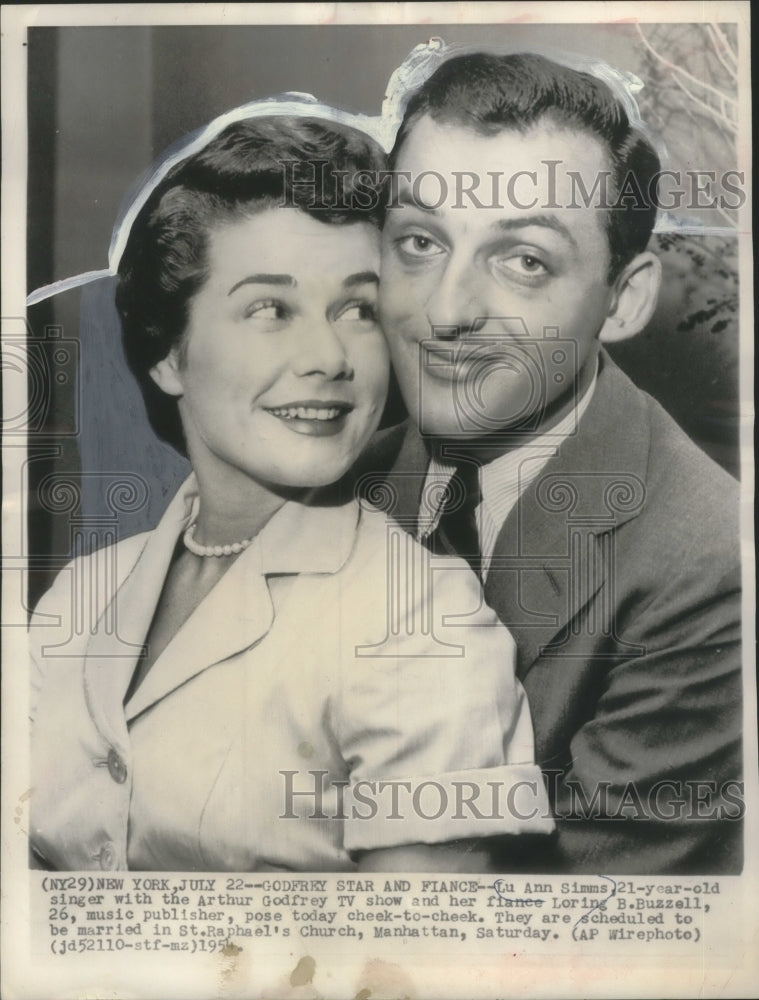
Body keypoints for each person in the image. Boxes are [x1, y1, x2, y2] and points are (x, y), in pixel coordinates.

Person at [28, 111, 554, 872]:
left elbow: (419, 967)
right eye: (270, 308)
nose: (328, 357)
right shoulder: (79, 599)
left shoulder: (425, 621)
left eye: (359, 310)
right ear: (170, 354)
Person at [362, 51, 743, 873]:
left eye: (524, 260)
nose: (445, 311)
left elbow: (561, 935)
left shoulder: (709, 564)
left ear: (622, 298)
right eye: (421, 241)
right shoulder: (326, 480)